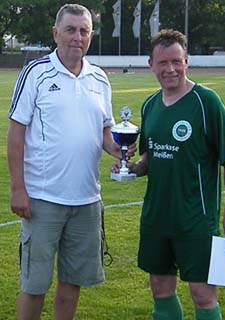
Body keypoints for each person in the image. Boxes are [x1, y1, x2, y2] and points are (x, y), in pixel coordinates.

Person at [7, 4, 135, 320]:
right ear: (56, 33)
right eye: (70, 29)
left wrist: (120, 151)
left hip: (87, 199)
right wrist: (17, 189)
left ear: (90, 35)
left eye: (84, 31)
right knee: (34, 284)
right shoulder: (35, 73)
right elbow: (16, 133)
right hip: (42, 199)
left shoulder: (100, 78)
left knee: (72, 281)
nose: (77, 37)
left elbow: (106, 131)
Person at [124, 29, 225, 319]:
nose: (170, 69)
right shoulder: (150, 105)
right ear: (151, 64)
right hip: (156, 218)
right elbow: (148, 156)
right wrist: (132, 168)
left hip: (195, 221)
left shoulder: (206, 102)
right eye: (163, 63)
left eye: (176, 61)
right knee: (160, 291)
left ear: (187, 61)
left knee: (203, 295)